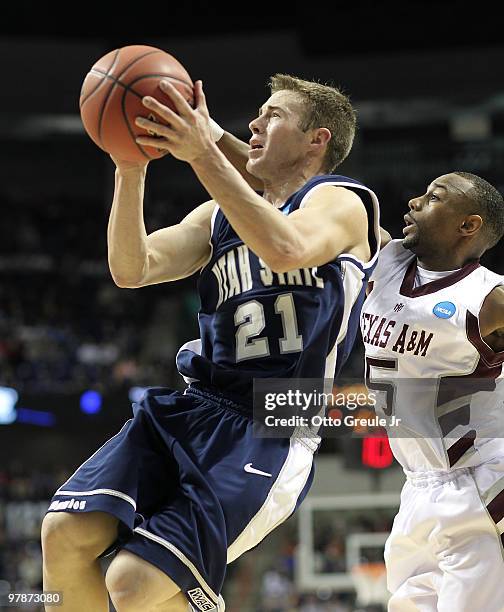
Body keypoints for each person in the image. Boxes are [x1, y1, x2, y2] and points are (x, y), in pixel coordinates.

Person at [41, 74, 380, 612]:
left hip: (272, 424)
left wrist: (203, 151)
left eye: (273, 116)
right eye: (258, 115)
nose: (255, 124)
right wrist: (130, 170)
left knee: (130, 585)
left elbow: (287, 248)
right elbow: (133, 268)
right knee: (64, 531)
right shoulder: (218, 216)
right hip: (195, 404)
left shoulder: (341, 202)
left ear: (317, 139)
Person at [361, 172, 504, 611]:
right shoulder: (383, 260)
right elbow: (301, 188)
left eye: (434, 197)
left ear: (468, 225)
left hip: (481, 482)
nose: (414, 200)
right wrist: (207, 141)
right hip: (417, 486)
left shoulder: (489, 297)